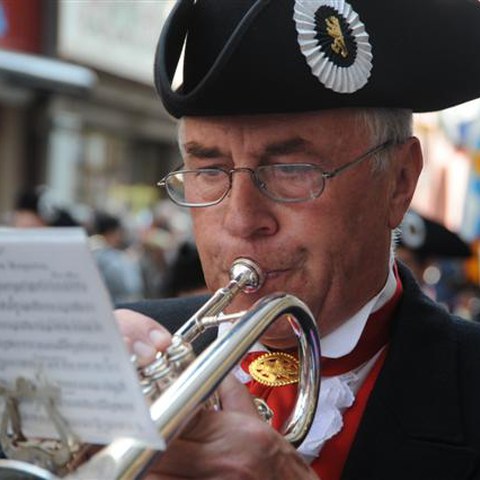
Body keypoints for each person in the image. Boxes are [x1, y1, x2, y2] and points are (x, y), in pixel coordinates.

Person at [115, 1, 480, 478]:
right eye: (208, 169)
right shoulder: (123, 350)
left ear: (398, 182)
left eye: (290, 169)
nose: (242, 220)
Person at [90, 211, 145, 304]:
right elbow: (131, 286)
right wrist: (131, 262)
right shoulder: (113, 258)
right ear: (112, 232)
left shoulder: (94, 252)